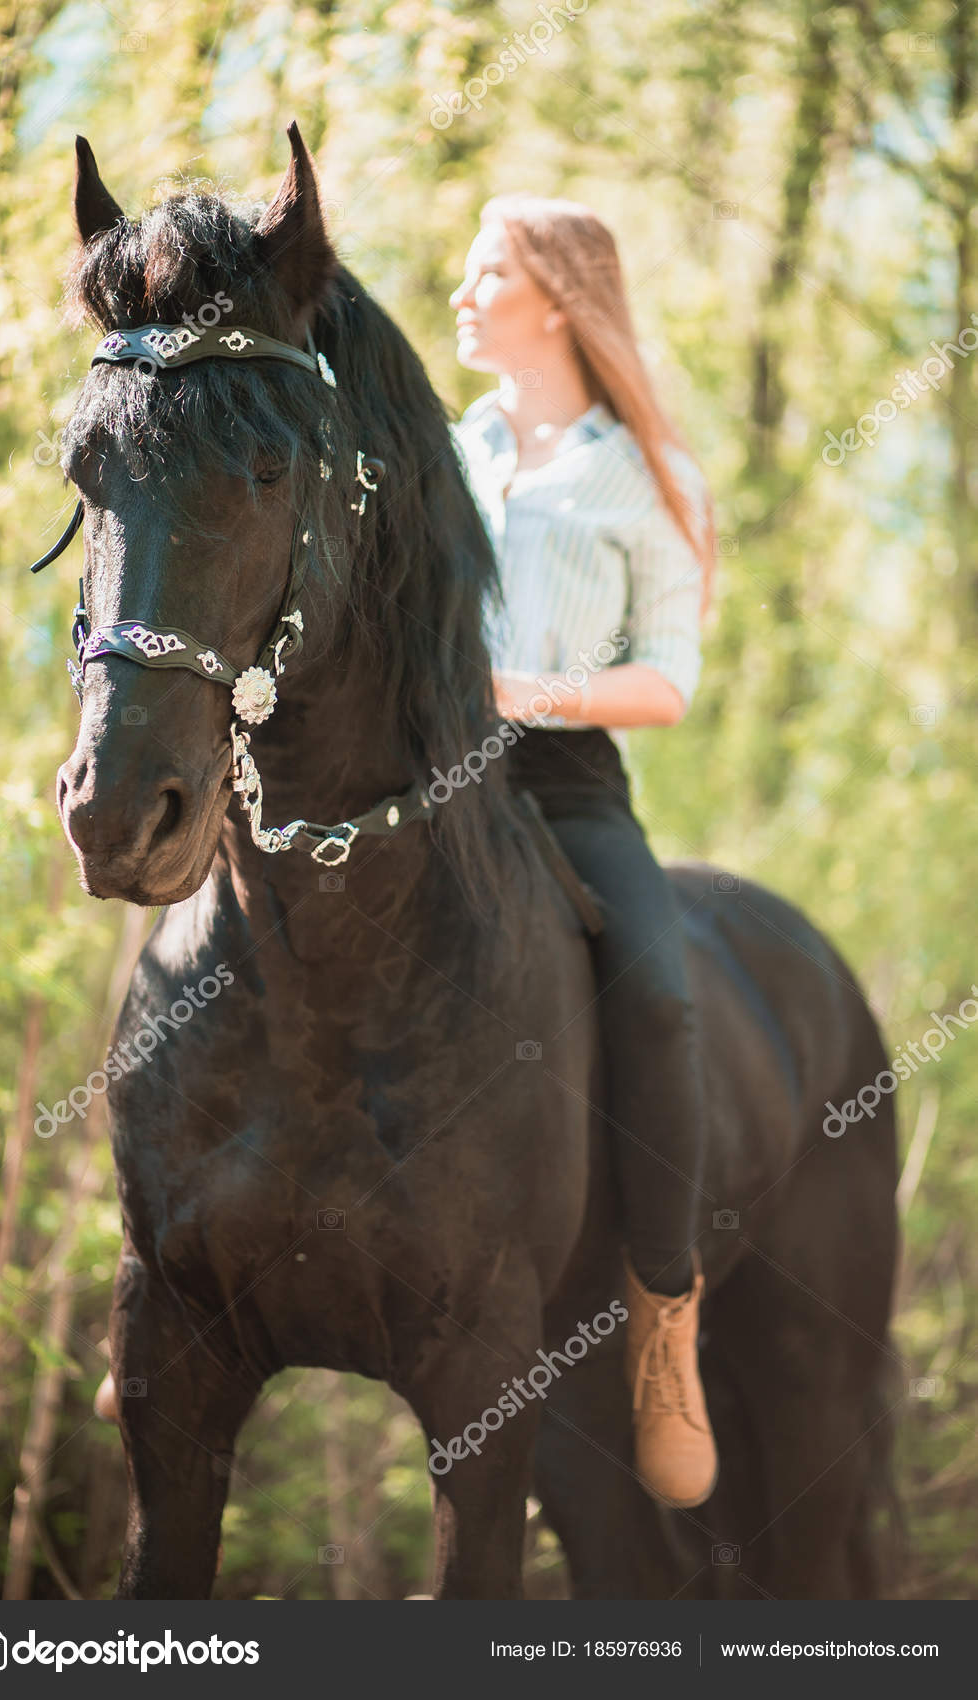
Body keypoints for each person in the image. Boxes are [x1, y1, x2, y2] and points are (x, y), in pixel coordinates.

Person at [449, 194, 718, 1510]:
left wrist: (522, 695)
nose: (458, 286)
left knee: (661, 999)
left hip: (563, 789)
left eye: (485, 268)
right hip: (412, 783)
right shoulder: (440, 452)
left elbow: (667, 683)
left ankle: (663, 1323)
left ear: (552, 298)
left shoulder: (647, 476)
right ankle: (163, 1269)